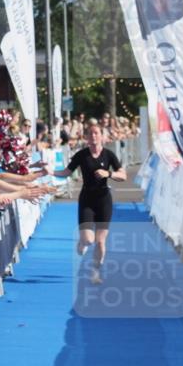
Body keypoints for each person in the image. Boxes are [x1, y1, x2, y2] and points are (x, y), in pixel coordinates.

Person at [51, 121, 126, 283]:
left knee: (100, 241)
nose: (93, 136)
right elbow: (66, 172)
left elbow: (123, 175)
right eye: (90, 134)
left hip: (104, 200)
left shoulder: (109, 155)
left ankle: (95, 272)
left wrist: (108, 174)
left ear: (102, 136)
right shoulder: (81, 155)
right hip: (87, 199)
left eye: (96, 133)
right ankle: (82, 241)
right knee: (89, 240)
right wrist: (49, 171)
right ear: (86, 137)